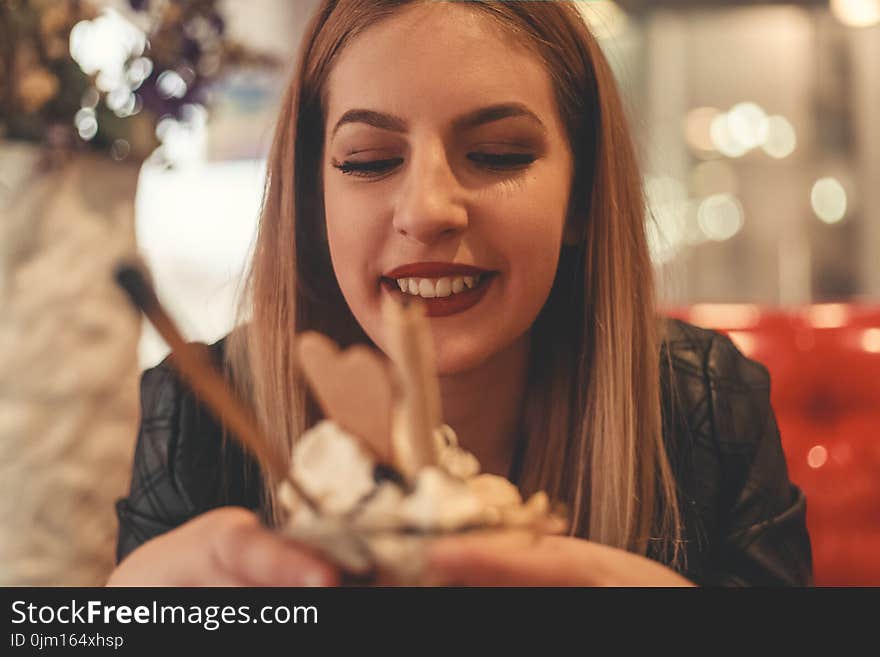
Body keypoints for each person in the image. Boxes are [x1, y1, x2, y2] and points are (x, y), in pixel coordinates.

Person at [108, 0, 812, 586]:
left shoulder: (704, 404)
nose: (427, 210)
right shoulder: (200, 415)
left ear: (583, 196)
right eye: (371, 160)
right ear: (314, 204)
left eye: (498, 154)